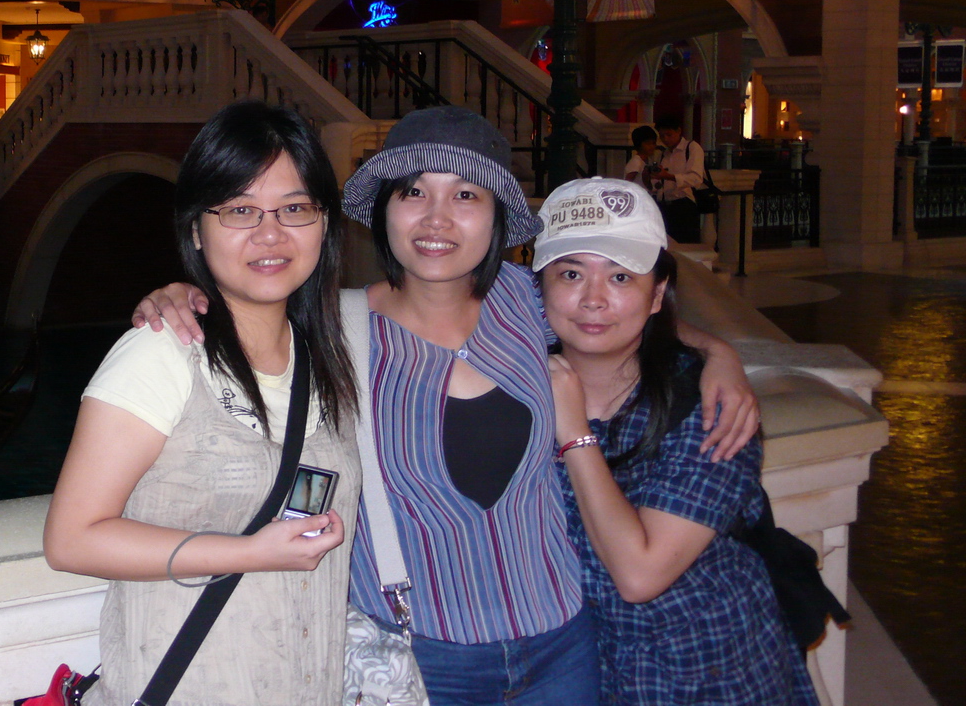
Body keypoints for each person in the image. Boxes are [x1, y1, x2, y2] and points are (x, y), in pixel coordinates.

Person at [133, 106, 760, 706]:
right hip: (422, 662)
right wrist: (182, 295)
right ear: (384, 211)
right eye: (413, 193)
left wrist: (717, 354)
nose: (436, 219)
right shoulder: (334, 334)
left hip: (563, 647)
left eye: (465, 196)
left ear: (495, 219)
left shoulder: (526, 304)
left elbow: (615, 315)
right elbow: (243, 312)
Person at [43, 101, 361, 706]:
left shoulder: (332, 353)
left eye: (295, 208)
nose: (270, 234)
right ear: (196, 228)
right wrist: (248, 554)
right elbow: (72, 538)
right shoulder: (161, 353)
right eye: (240, 210)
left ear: (325, 222)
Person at [535, 178, 817, 705]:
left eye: (621, 276)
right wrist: (718, 347)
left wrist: (574, 432)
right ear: (539, 288)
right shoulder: (513, 376)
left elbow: (641, 575)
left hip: (707, 668)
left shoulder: (710, 409)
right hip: (576, 668)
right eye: (570, 273)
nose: (593, 298)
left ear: (657, 293)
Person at [652, 114, 705, 243]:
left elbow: (696, 178)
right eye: (662, 135)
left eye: (669, 135)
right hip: (664, 204)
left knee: (685, 246)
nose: (665, 139)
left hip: (683, 204)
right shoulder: (663, 153)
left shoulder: (691, 148)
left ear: (678, 131)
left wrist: (669, 177)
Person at [622, 124, 660, 195]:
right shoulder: (636, 162)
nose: (652, 146)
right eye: (648, 144)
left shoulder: (648, 160)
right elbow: (627, 182)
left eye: (653, 143)